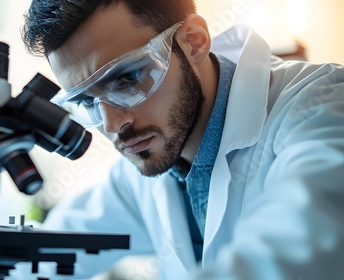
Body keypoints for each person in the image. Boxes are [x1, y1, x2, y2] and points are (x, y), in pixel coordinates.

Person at [20, 0, 344, 279]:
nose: (113, 125)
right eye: (86, 100)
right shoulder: (142, 174)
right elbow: (43, 254)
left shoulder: (321, 108)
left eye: (127, 78)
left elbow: (297, 247)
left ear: (194, 41)